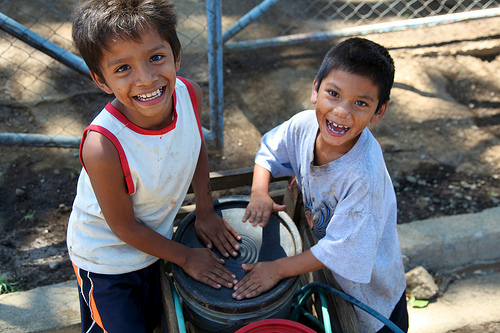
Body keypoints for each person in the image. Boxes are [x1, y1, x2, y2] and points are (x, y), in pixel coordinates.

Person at [67, 0, 241, 331]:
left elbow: (195, 147)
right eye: (122, 69)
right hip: (106, 263)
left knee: (156, 319)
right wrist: (187, 256)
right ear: (101, 80)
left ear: (177, 56)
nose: (146, 79)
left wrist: (206, 210)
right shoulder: (102, 146)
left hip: (156, 245)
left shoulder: (190, 95)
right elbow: (124, 228)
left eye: (155, 58)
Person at [232, 37, 408, 333]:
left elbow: (341, 251)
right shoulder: (303, 126)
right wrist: (259, 193)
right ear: (316, 89)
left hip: (372, 302)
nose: (341, 111)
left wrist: (275, 269)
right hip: (332, 277)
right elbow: (269, 151)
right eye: (333, 93)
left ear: (379, 111)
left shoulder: (363, 176)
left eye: (361, 103)